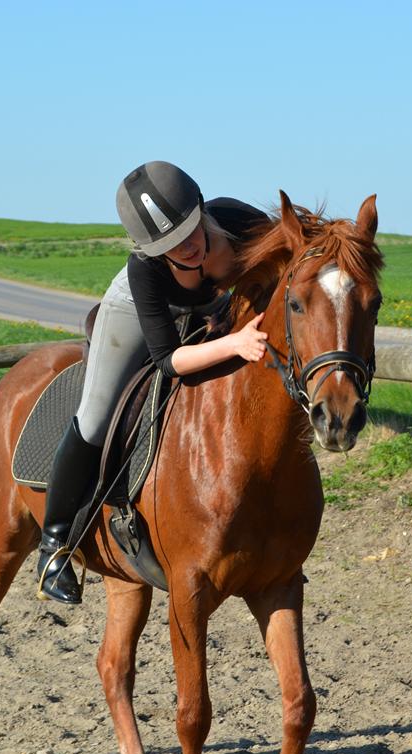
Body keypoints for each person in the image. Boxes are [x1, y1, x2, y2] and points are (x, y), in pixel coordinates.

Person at [36, 161, 272, 603]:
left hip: (213, 314)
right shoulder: (144, 269)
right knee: (97, 417)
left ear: (201, 209)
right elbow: (167, 359)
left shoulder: (241, 221)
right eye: (169, 244)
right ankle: (55, 546)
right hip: (139, 317)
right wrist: (236, 343)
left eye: (189, 232)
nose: (185, 248)